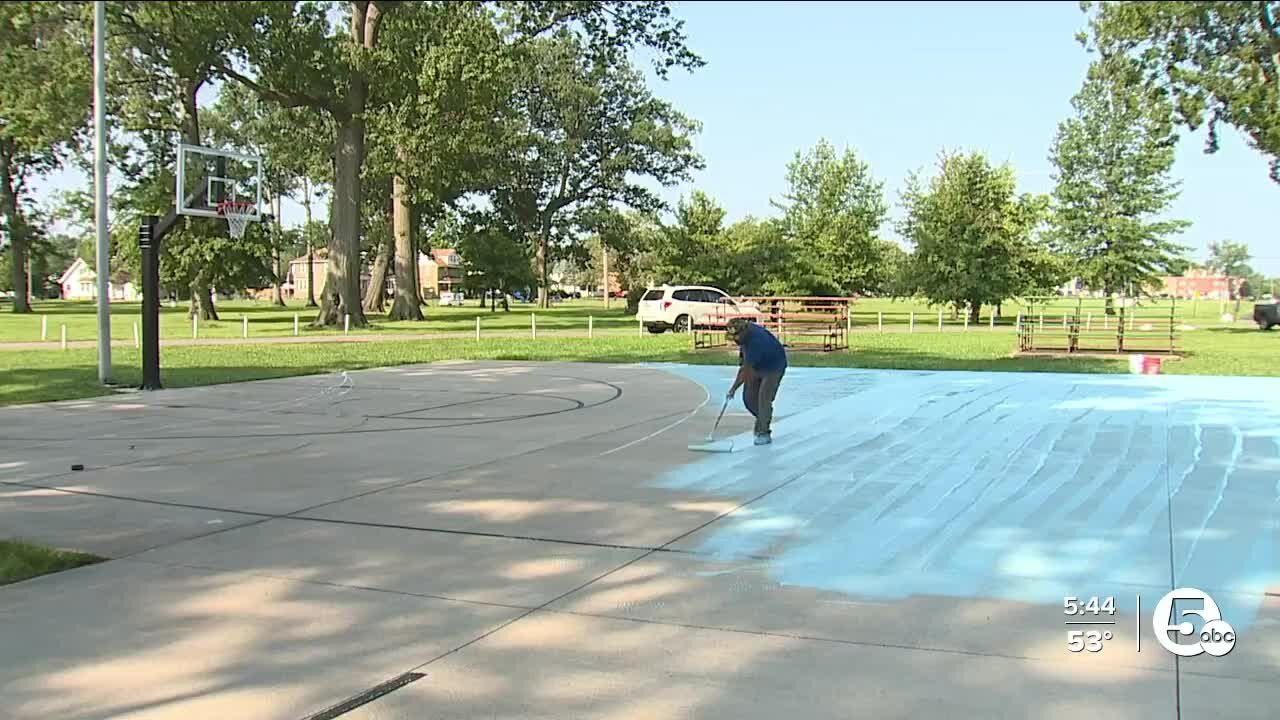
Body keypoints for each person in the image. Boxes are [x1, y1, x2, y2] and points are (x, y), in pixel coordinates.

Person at [725, 317, 787, 445]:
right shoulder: (744, 336)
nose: (735, 341)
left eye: (736, 338)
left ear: (742, 333)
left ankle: (764, 432)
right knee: (749, 398)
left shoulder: (756, 341)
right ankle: (763, 418)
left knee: (764, 399)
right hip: (758, 364)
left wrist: (733, 389)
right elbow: (744, 362)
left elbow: (745, 371)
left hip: (774, 367)